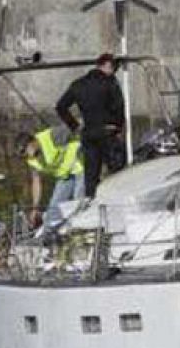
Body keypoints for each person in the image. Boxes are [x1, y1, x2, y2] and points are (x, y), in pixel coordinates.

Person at [55, 53, 126, 198]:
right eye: (113, 68)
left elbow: (60, 106)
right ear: (106, 66)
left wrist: (74, 126)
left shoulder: (78, 84)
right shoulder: (110, 82)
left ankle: (90, 202)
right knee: (118, 171)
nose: (114, 71)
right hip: (107, 132)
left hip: (88, 134)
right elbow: (119, 106)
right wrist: (118, 126)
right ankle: (116, 200)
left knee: (91, 176)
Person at [18, 126, 83, 232]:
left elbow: (76, 128)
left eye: (26, 150)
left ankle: (79, 231)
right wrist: (35, 208)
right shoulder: (31, 159)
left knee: (78, 201)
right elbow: (36, 182)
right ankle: (48, 234)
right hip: (64, 176)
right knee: (54, 208)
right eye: (24, 153)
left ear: (33, 142)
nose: (28, 155)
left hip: (80, 167)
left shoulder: (52, 136)